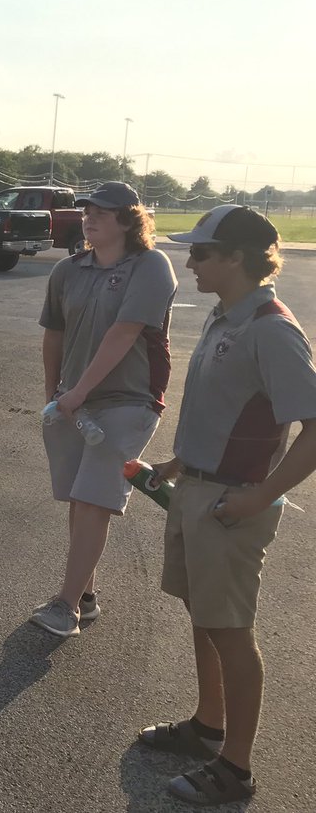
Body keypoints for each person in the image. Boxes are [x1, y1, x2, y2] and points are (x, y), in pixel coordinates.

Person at [137, 205, 316, 806]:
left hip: (230, 503)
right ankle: (207, 727)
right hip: (199, 489)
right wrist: (180, 462)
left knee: (231, 631)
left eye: (201, 252)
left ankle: (235, 768)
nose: (189, 262)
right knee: (205, 616)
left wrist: (260, 496)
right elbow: (225, 408)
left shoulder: (271, 328)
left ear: (237, 257)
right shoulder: (225, 315)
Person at [33, 181, 178, 637]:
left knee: (95, 499)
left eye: (102, 212)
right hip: (73, 401)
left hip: (129, 400)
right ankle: (85, 594)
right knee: (80, 499)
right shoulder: (69, 269)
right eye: (87, 210)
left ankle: (66, 607)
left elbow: (125, 331)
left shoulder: (150, 265)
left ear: (130, 220)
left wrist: (77, 392)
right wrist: (54, 393)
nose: (89, 218)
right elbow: (54, 334)